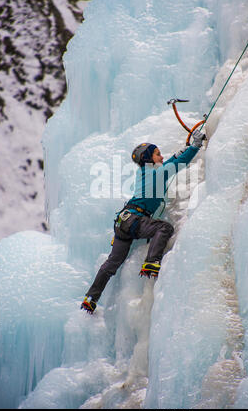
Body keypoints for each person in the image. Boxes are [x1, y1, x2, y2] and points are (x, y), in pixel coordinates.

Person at [81, 129, 206, 314]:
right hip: (135, 218)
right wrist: (195, 145)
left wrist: (179, 151)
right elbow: (177, 164)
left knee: (112, 263)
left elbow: (168, 164)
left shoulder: (146, 172)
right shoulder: (156, 172)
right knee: (164, 228)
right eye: (157, 153)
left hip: (122, 221)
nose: (161, 156)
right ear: (149, 158)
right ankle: (151, 262)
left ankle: (91, 298)